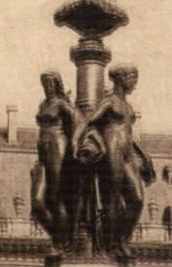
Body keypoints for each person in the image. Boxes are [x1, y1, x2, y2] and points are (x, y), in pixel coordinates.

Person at [70, 64, 154, 255]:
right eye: (133, 79)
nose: (135, 84)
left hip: (128, 153)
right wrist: (76, 142)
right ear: (121, 79)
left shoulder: (127, 106)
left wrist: (143, 154)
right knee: (112, 199)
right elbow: (88, 121)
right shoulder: (110, 102)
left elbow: (129, 133)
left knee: (137, 199)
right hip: (112, 149)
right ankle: (112, 243)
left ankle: (121, 238)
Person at [32, 70, 81, 250]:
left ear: (57, 84)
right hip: (43, 150)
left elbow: (77, 119)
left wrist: (75, 143)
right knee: (38, 201)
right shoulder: (44, 104)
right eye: (44, 83)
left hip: (57, 145)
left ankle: (63, 241)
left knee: (57, 194)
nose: (47, 86)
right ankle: (60, 234)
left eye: (50, 83)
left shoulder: (61, 103)